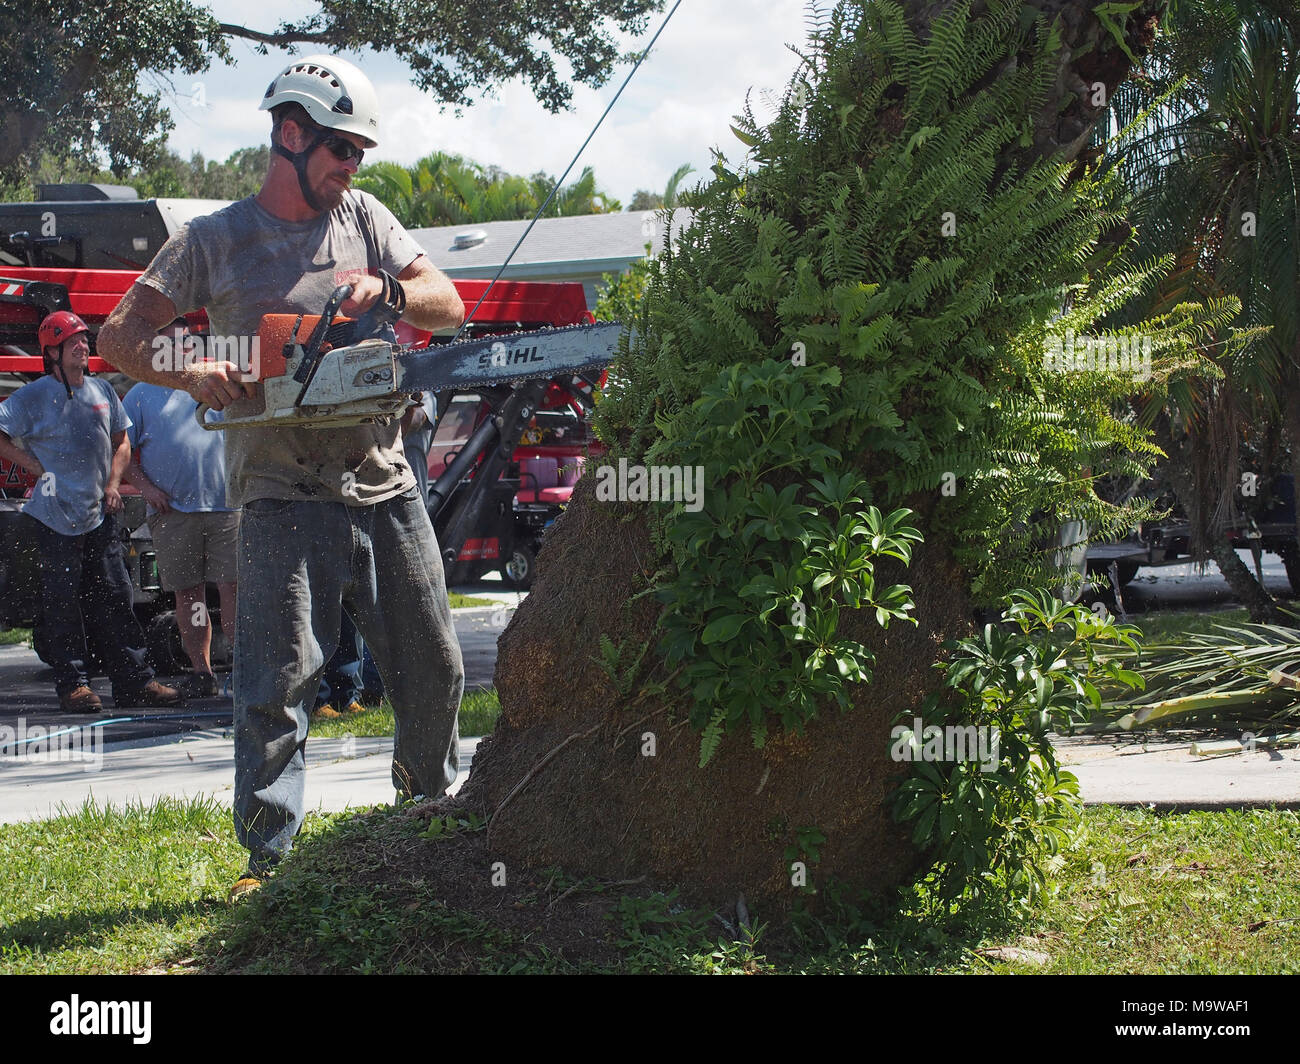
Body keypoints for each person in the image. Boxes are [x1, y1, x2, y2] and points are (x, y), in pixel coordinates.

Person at [98, 54, 467, 901]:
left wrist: (391, 291)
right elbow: (121, 335)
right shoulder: (212, 240)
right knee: (275, 683)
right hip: (278, 491)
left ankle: (427, 823)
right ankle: (270, 865)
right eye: (341, 147)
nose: (352, 166)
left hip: (383, 479)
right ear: (291, 134)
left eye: (361, 152)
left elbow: (449, 300)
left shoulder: (368, 219)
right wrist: (192, 371)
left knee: (434, 665)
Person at [0, 311, 182, 713]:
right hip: (53, 519)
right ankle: (73, 687)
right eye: (73, 342)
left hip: (100, 515)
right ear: (52, 352)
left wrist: (114, 484)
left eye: (84, 340)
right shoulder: (33, 396)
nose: (83, 347)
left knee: (116, 599)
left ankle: (134, 682)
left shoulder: (102, 391)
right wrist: (32, 464)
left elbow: (122, 443)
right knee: (63, 604)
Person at [121, 319, 239, 697]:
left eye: (187, 340)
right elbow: (121, 451)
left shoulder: (219, 383)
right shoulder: (141, 394)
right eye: (173, 342)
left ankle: (241, 668)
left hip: (226, 507)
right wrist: (146, 489)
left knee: (234, 589)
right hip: (172, 513)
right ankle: (202, 673)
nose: (183, 346)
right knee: (189, 596)